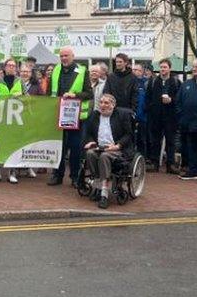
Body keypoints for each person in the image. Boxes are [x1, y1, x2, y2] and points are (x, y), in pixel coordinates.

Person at [48, 47, 93, 187]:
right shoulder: (55, 70)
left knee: (75, 148)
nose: (63, 58)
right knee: (58, 147)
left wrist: (75, 95)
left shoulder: (82, 70)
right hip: (58, 115)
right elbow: (50, 92)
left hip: (76, 116)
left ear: (73, 56)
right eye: (61, 56)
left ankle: (74, 176)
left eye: (66, 55)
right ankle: (57, 175)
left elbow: (89, 93)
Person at [83, 94, 135, 209]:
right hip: (99, 147)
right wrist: (91, 142)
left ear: (113, 105)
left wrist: (118, 145)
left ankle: (104, 193)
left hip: (116, 149)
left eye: (106, 103)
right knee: (90, 154)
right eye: (101, 102)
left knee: (104, 156)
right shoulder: (94, 116)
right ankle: (98, 187)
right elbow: (88, 133)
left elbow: (128, 134)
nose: (103, 105)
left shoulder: (121, 116)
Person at [0, 59, 21, 184]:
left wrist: (21, 96)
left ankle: (11, 172)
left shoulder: (19, 81)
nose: (11, 67)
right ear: (5, 67)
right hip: (0, 117)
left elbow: (28, 98)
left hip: (15, 118)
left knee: (13, 145)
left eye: (13, 66)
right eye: (9, 65)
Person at [147, 59, 181, 174]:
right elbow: (148, 97)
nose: (163, 69)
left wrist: (172, 100)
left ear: (169, 68)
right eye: (161, 67)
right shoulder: (153, 82)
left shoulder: (176, 82)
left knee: (171, 141)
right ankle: (154, 163)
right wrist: (151, 109)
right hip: (156, 116)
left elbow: (180, 99)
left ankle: (170, 164)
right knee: (155, 140)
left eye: (165, 67)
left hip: (171, 116)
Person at [133, 62, 150, 159]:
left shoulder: (146, 83)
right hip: (131, 116)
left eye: (137, 70)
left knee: (142, 139)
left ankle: (143, 158)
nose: (134, 72)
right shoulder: (130, 82)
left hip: (143, 117)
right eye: (133, 70)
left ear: (142, 72)